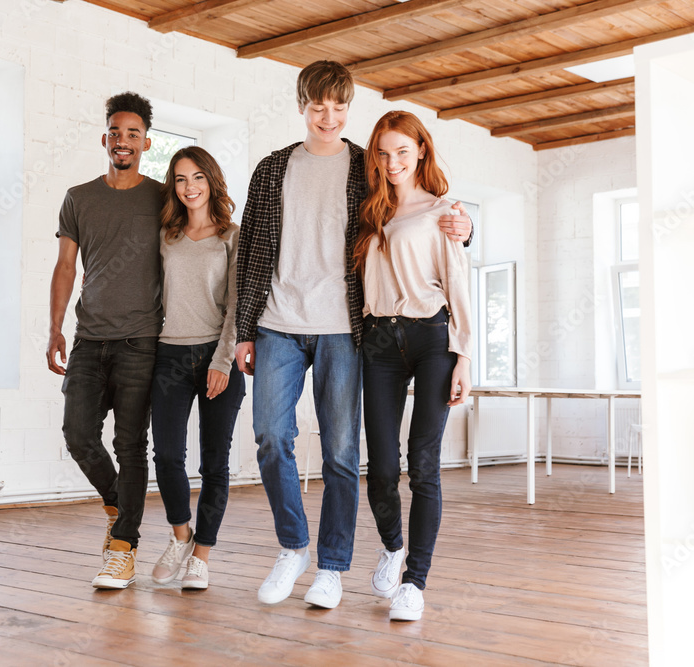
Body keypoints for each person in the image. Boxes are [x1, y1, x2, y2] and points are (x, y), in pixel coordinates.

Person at [235, 60, 472, 610]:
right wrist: (242, 331)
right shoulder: (272, 169)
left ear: (348, 109)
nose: (327, 116)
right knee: (272, 436)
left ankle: (334, 567)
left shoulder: (369, 167)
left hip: (346, 326)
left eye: (338, 106)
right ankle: (293, 545)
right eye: (317, 105)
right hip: (278, 322)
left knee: (344, 453)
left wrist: (466, 226)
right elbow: (250, 255)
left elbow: (425, 221)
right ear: (302, 106)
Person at [354, 110, 473, 621]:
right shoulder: (368, 212)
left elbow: (458, 283)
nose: (392, 161)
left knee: (422, 463)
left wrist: (464, 355)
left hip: (431, 339)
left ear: (421, 150)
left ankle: (415, 581)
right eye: (383, 152)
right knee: (380, 467)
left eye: (403, 150)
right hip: (378, 340)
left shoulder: (443, 211)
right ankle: (392, 545)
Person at [47, 92, 162, 590]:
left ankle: (123, 548)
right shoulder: (79, 197)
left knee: (131, 444)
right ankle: (120, 505)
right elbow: (65, 265)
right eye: (116, 131)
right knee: (78, 434)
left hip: (142, 340)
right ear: (105, 138)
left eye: (133, 133)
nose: (123, 139)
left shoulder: (162, 197)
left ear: (146, 143)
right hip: (90, 338)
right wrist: (54, 326)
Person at [149, 147, 245, 590]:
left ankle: (201, 556)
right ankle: (180, 537)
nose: (190, 187)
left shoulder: (231, 235)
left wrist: (222, 361)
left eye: (197, 177)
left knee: (215, 464)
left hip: (216, 355)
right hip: (169, 355)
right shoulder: (165, 235)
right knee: (167, 456)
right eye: (181, 179)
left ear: (212, 180)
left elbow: (235, 306)